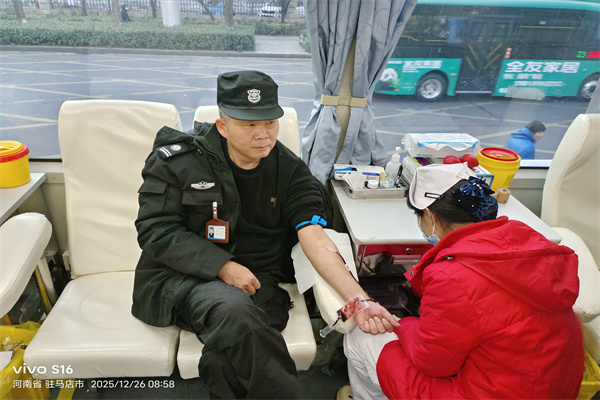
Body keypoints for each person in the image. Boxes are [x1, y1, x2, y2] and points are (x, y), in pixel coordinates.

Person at [131, 70, 398, 399]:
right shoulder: (177, 163)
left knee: (226, 358)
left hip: (259, 281)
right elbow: (155, 230)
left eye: (270, 122)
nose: (263, 135)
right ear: (222, 126)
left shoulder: (290, 170)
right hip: (186, 277)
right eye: (249, 125)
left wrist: (360, 300)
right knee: (234, 310)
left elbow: (314, 236)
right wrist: (222, 266)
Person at [342, 163, 584, 399]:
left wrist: (401, 324)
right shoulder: (530, 241)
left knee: (360, 336)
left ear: (430, 216)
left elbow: (431, 363)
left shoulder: (453, 277)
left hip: (488, 392)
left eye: (419, 217)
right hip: (554, 387)